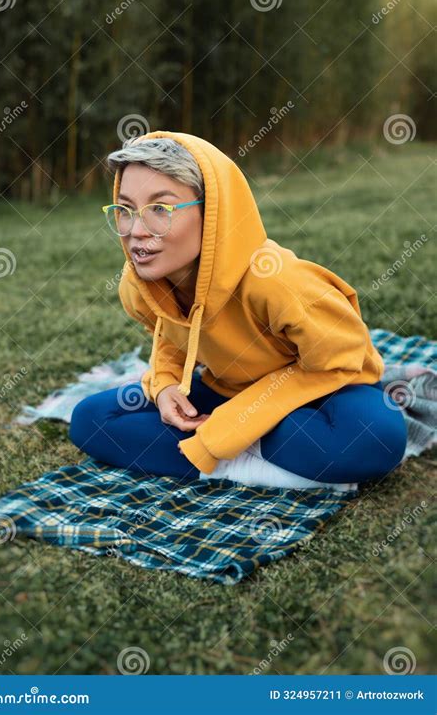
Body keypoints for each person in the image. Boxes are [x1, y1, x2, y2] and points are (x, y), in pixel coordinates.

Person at [69, 131, 407, 487]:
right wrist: (166, 384)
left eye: (160, 209)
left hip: (324, 392)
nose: (136, 231)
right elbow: (170, 332)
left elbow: (343, 359)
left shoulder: (276, 281)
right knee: (92, 418)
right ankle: (251, 464)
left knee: (376, 436)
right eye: (125, 210)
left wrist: (234, 425)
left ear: (213, 212)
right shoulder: (138, 286)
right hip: (230, 391)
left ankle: (220, 456)